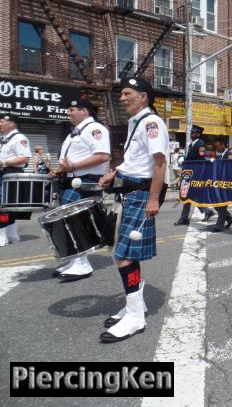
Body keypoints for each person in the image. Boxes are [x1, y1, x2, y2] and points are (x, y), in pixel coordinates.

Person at [98, 77, 169, 343]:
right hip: (129, 191)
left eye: (128, 93)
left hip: (141, 194)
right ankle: (135, 306)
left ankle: (135, 317)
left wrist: (153, 199)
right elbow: (133, 159)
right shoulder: (136, 122)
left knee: (123, 256)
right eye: (122, 94)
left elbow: (158, 163)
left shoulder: (151, 123)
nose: (122, 97)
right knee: (125, 253)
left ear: (143, 97)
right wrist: (114, 173)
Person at [53, 97, 110, 280]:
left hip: (84, 181)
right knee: (68, 221)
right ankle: (75, 259)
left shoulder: (95, 129)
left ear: (84, 111)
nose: (68, 112)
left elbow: (102, 156)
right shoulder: (74, 133)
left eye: (71, 109)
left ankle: (82, 264)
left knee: (77, 221)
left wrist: (73, 166)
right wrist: (61, 170)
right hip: (72, 179)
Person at [0, 114, 31, 244]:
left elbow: (24, 158)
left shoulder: (19, 138)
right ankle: (12, 234)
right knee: (7, 205)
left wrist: (4, 163)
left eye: (2, 121)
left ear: (12, 124)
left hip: (11, 173)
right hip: (5, 173)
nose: (0, 124)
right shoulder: (5, 138)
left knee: (3, 205)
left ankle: (2, 235)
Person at [174, 125, 214, 225]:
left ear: (198, 134)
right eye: (191, 132)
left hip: (195, 173)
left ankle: (187, 217)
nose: (191, 134)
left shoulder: (200, 144)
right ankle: (186, 217)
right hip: (189, 173)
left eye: (193, 133)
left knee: (189, 194)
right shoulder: (193, 144)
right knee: (188, 194)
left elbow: (200, 159)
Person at [211, 138, 232, 233]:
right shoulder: (220, 156)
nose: (216, 148)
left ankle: (219, 225)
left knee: (221, 205)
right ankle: (229, 217)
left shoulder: (229, 155)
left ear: (222, 145)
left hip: (226, 183)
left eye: (217, 146)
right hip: (219, 182)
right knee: (215, 204)